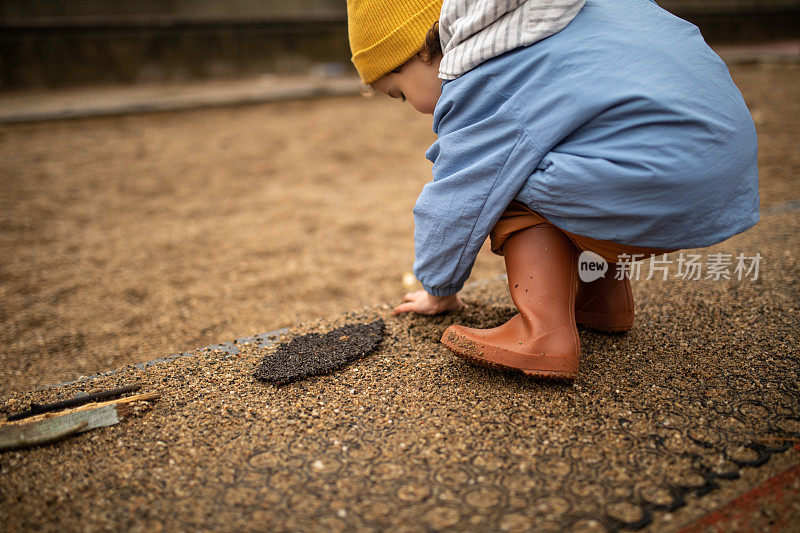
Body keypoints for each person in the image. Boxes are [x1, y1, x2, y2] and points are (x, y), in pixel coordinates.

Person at [346, 0, 758, 379]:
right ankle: (600, 300)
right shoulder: (563, 16)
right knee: (581, 143)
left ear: (421, 49)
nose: (415, 108)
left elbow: (456, 199)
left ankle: (541, 334)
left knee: (502, 177)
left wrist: (439, 288)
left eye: (399, 93)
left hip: (657, 181)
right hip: (725, 166)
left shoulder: (485, 65)